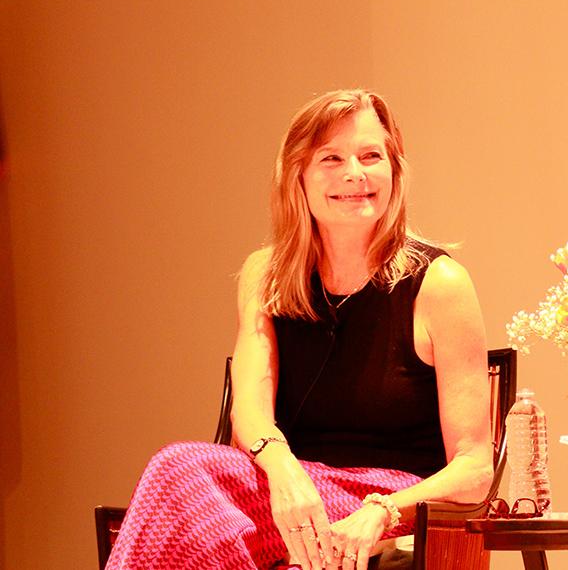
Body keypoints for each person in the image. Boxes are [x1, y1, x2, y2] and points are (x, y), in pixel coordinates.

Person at [107, 90, 494, 570]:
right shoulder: (265, 274)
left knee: (189, 497)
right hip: (290, 492)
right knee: (183, 477)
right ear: (299, 178)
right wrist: (284, 472)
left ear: (394, 170)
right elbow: (248, 412)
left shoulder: (440, 284)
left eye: (371, 156)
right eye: (331, 158)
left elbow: (475, 469)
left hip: (388, 504)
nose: (354, 173)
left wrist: (384, 508)